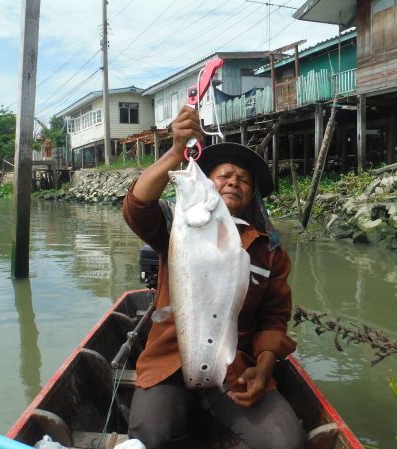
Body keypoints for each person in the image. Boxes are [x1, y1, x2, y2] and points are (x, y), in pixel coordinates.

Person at [122, 106, 305, 449]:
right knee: (151, 436)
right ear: (206, 182)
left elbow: (274, 319)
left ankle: (214, 417)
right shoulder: (178, 226)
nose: (234, 180)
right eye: (224, 175)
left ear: (252, 195)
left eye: (244, 179)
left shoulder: (270, 251)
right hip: (168, 361)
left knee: (286, 443)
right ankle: (197, 418)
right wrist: (177, 151)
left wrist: (264, 368)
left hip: (234, 367)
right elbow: (137, 207)